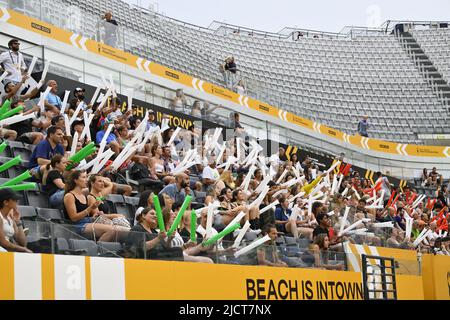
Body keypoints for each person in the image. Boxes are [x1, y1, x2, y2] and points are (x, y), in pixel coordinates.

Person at [63, 170, 122, 241]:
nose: (86, 180)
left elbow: (87, 214)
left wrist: (96, 215)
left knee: (119, 229)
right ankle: (99, 250)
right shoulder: (69, 196)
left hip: (88, 221)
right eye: (84, 177)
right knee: (112, 230)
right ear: (75, 180)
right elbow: (74, 218)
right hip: (77, 225)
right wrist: (91, 208)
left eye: (86, 177)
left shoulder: (83, 195)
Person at [0, 188, 32, 253]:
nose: (17, 202)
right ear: (6, 202)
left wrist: (18, 222)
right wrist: (23, 249)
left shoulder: (10, 218)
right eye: (14, 200)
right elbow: (2, 242)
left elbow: (22, 243)